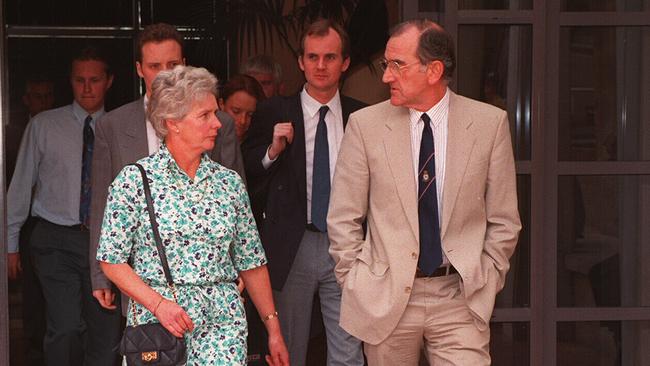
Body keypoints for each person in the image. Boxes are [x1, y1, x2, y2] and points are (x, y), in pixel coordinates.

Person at [327, 19, 522, 366]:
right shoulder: (364, 126)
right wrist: (356, 280)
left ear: (433, 70)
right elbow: (343, 217)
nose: (386, 76)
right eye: (387, 65)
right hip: (386, 299)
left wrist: (487, 276)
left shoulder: (490, 124)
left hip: (459, 298)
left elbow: (504, 220)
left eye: (397, 65)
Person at [96, 65, 289, 366]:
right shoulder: (134, 180)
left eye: (215, 112)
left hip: (223, 330)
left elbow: (251, 262)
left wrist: (274, 331)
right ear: (173, 122)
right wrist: (159, 305)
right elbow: (111, 259)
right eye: (205, 115)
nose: (218, 123)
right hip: (159, 326)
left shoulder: (229, 183)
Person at [89, 23, 245, 313]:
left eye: (172, 64)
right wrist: (100, 274)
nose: (164, 73)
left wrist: (238, 268)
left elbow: (237, 204)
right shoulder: (112, 125)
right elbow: (101, 203)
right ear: (139, 68)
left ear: (184, 65)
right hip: (141, 277)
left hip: (210, 278)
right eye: (154, 65)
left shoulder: (219, 124)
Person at [243, 19, 365, 366]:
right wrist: (273, 150)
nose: (321, 66)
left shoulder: (362, 116)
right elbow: (247, 169)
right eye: (313, 57)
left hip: (347, 242)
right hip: (292, 243)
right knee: (287, 349)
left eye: (330, 57)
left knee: (348, 349)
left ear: (345, 63)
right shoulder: (273, 111)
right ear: (300, 61)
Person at [6, 45, 121, 366]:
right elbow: (21, 185)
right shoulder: (43, 125)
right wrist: (10, 242)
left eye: (94, 80)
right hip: (54, 239)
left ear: (108, 81)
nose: (87, 87)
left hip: (106, 242)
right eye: (79, 80)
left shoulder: (119, 127)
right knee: (65, 327)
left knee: (105, 332)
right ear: (70, 82)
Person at [218, 74, 265, 142]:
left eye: (250, 115)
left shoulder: (261, 145)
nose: (243, 121)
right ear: (221, 104)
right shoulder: (206, 142)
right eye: (236, 111)